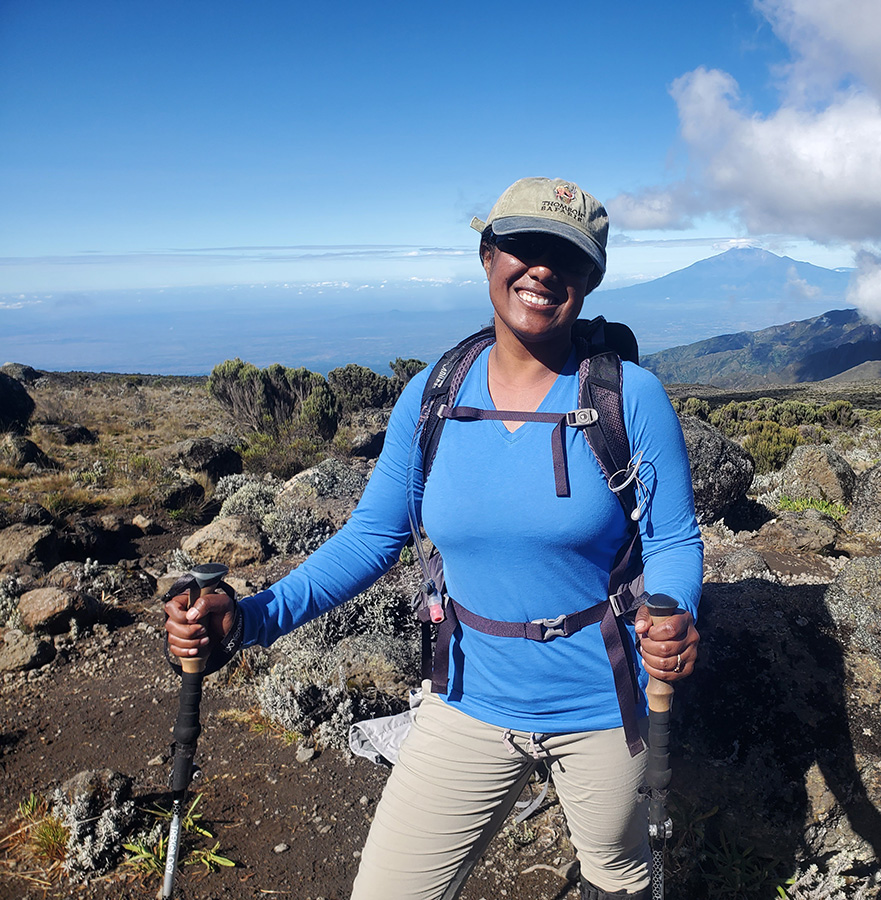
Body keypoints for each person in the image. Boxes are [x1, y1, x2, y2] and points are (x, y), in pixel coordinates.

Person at [163, 176, 703, 900]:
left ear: (589, 280)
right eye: (523, 247)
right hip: (465, 700)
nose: (542, 269)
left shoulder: (628, 398)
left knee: (617, 876)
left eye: (566, 257)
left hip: (604, 703)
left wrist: (674, 609)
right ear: (488, 255)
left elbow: (673, 538)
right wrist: (251, 617)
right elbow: (372, 538)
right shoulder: (435, 395)